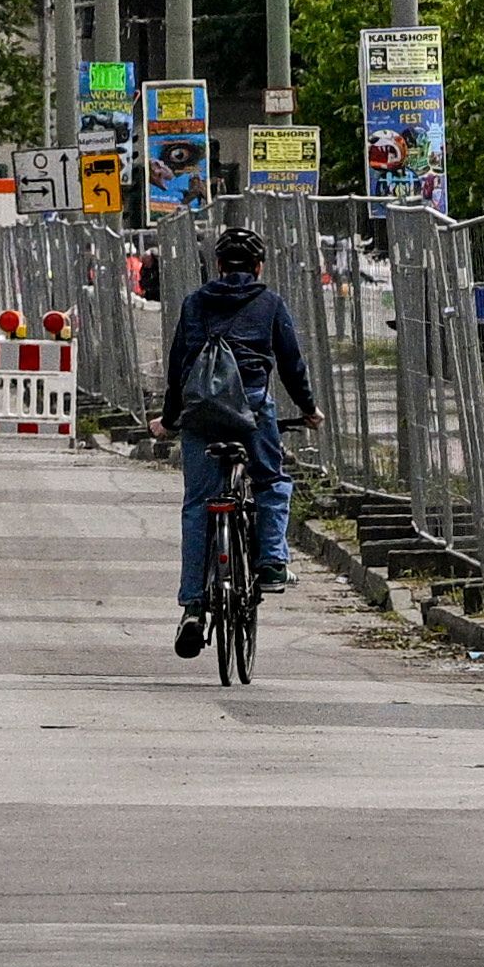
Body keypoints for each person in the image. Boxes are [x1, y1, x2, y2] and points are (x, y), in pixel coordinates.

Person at [168, 223, 317, 659]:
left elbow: (180, 362)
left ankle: (194, 605)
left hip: (201, 413)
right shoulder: (270, 303)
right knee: (270, 480)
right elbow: (291, 363)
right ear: (258, 266)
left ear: (216, 265)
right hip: (252, 409)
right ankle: (271, 562)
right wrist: (308, 409)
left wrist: (168, 417)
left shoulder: (196, 302)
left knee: (198, 504)